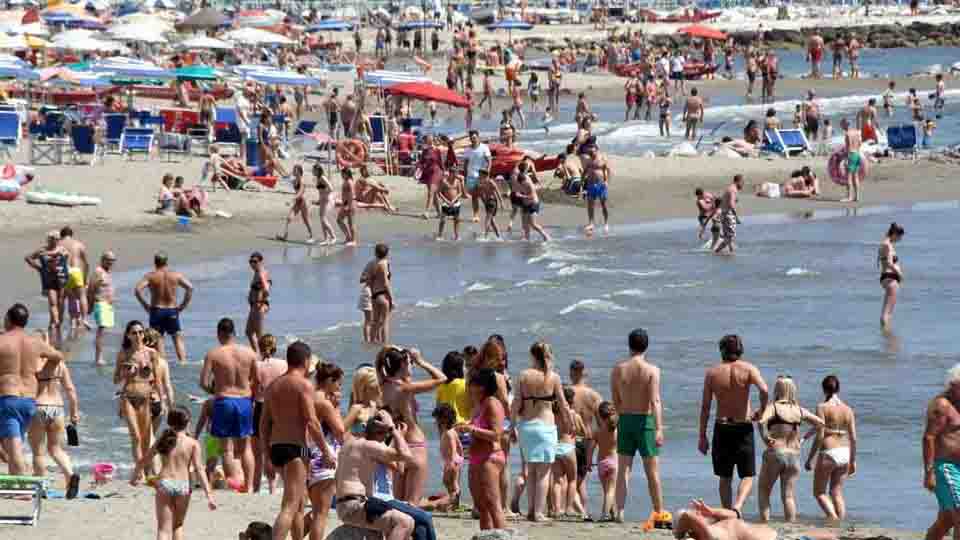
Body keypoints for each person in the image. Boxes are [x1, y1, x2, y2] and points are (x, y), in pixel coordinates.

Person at [261, 341, 334, 540]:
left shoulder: (273, 386)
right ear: (306, 360)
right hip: (296, 448)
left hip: (276, 447)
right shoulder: (303, 384)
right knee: (291, 505)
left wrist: (266, 455)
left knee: (298, 504)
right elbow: (311, 421)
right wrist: (326, 451)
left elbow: (263, 424)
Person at [698, 334, 769, 513]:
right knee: (747, 475)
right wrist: (761, 411)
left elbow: (705, 407)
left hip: (722, 427)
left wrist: (702, 436)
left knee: (724, 476)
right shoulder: (749, 369)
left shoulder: (712, 373)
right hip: (743, 426)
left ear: (722, 350)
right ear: (740, 350)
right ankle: (738, 506)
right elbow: (765, 389)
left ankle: (727, 511)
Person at [131, 407, 217, 540]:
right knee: (177, 526)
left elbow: (144, 459)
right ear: (187, 423)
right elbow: (200, 470)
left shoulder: (163, 439)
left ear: (169, 423)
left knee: (163, 529)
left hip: (165, 483)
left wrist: (135, 475)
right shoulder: (193, 443)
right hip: (183, 486)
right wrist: (209, 495)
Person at [377, 346, 448, 505]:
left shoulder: (383, 385)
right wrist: (421, 361)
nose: (412, 366)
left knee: (397, 504)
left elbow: (379, 362)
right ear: (402, 365)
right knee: (412, 505)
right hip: (414, 446)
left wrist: (389, 350)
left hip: (397, 446)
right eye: (410, 363)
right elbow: (442, 378)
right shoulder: (405, 388)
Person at [610, 329, 666, 526]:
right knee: (652, 471)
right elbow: (655, 400)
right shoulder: (652, 370)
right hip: (645, 421)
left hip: (625, 419)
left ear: (629, 345)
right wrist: (659, 428)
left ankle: (619, 511)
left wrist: (620, 418)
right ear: (646, 346)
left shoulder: (618, 369)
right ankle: (658, 511)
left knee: (623, 469)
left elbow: (615, 399)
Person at [334, 410, 416, 540]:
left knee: (399, 532)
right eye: (384, 435)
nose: (385, 439)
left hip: (346, 503)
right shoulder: (368, 445)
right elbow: (407, 456)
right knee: (405, 523)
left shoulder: (348, 444)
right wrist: (394, 429)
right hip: (354, 505)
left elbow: (337, 477)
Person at [511, 341, 570, 522]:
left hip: (526, 427)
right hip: (545, 427)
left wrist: (512, 425)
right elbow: (562, 403)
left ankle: (530, 510)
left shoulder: (523, 375)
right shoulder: (553, 377)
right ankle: (538, 512)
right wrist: (569, 422)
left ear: (532, 355)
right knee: (544, 473)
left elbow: (516, 404)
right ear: (549, 356)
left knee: (531, 470)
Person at [200, 318, 258, 493]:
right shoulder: (249, 353)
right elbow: (257, 380)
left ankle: (232, 484)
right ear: (234, 333)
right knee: (246, 447)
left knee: (226, 449)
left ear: (219, 334)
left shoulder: (214, 354)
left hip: (224, 400)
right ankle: (248, 486)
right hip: (244, 401)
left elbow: (203, 382)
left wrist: (215, 391)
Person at [756, 376, 825, 522]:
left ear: (777, 390)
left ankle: (764, 526)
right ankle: (791, 528)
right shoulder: (799, 410)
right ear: (793, 391)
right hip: (794, 455)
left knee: (764, 491)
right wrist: (804, 438)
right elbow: (820, 424)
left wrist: (765, 437)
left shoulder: (773, 407)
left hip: (776, 452)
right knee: (788, 496)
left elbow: (761, 421)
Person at [114, 320, 164, 480]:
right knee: (135, 436)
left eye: (141, 332)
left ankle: (146, 470)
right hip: (128, 397)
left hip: (146, 398)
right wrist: (125, 372)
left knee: (146, 438)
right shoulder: (124, 353)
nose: (138, 336)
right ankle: (140, 473)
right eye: (134, 333)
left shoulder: (151, 353)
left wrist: (161, 400)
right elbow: (115, 379)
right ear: (128, 335)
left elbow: (158, 379)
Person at [458, 368, 507, 529]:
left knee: (492, 503)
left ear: (481, 386)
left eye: (472, 383)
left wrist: (472, 429)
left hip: (490, 457)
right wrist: (466, 427)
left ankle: (502, 535)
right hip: (476, 458)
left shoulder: (492, 403)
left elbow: (496, 434)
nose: (468, 386)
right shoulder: (478, 405)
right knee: (481, 506)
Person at [805, 375, 857, 521]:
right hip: (845, 452)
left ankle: (833, 520)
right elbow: (853, 438)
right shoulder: (848, 410)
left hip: (829, 451)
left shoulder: (822, 407)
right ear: (838, 389)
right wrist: (853, 461)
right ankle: (840, 525)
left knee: (819, 492)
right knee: (836, 492)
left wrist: (810, 458)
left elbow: (820, 434)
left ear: (823, 389)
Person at [306, 364, 346, 540]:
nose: (339, 388)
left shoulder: (307, 397)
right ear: (330, 381)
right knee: (321, 514)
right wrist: (337, 407)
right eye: (339, 384)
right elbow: (340, 431)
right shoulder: (324, 403)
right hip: (323, 457)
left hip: (308, 453)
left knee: (314, 511)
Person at [134, 252, 194, 364]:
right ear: (166, 262)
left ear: (155, 262)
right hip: (172, 310)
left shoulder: (151, 276)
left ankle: (162, 366)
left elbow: (137, 290)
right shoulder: (175, 275)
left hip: (157, 310)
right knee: (177, 337)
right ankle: (183, 362)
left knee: (158, 338)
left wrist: (145, 305)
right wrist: (182, 306)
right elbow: (190, 288)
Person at [672, 499, 836, 540]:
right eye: (696, 513)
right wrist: (679, 530)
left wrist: (710, 511)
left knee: (829, 535)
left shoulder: (718, 525)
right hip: (779, 539)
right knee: (829, 536)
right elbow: (687, 518)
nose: (697, 513)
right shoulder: (711, 535)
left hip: (779, 534)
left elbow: (734, 515)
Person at [924, 364, 960, 540]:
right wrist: (929, 472)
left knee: (946, 520)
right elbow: (929, 437)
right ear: (954, 384)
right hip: (947, 467)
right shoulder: (942, 405)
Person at [251, 334, 286, 495]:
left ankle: (257, 487)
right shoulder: (283, 364)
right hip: (278, 407)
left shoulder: (257, 365)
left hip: (261, 406)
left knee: (260, 451)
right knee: (275, 447)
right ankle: (273, 488)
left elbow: (255, 390)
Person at [569, 359, 602, 516]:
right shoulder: (594, 395)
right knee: (581, 482)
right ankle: (582, 512)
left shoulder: (565, 392)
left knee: (566, 479)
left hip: (569, 438)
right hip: (587, 440)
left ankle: (573, 510)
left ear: (571, 373)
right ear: (585, 373)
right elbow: (604, 422)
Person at [25, 231, 69, 342]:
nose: (56, 240)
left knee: (60, 301)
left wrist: (53, 257)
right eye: (54, 238)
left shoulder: (62, 250)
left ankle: (55, 323)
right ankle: (57, 322)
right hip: (48, 279)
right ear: (49, 239)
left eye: (57, 239)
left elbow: (66, 259)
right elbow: (28, 258)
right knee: (53, 302)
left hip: (61, 278)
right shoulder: (42, 250)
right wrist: (39, 268)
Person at [552, 385, 587, 518]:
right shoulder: (573, 414)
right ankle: (568, 509)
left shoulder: (553, 413)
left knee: (557, 480)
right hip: (568, 447)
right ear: (571, 400)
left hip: (555, 446)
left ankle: (556, 509)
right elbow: (582, 432)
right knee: (572, 479)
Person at [422, 403, 462, 511]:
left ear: (444, 419)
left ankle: (454, 501)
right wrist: (460, 457)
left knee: (452, 483)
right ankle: (453, 501)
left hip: (451, 461)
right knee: (448, 482)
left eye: (437, 419)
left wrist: (453, 461)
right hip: (453, 460)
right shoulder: (451, 431)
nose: (436, 422)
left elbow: (454, 448)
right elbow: (460, 446)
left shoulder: (449, 433)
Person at [58, 226, 90, 332]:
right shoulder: (79, 244)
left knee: (62, 298)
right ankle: (85, 319)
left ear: (61, 235)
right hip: (76, 271)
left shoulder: (58, 244)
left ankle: (60, 320)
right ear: (71, 235)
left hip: (63, 271)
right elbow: (86, 264)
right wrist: (85, 278)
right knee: (81, 296)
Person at [87, 251, 117, 366]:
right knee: (101, 331)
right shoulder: (98, 272)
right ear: (102, 259)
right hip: (101, 303)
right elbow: (91, 289)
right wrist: (89, 306)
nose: (111, 263)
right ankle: (98, 357)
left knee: (104, 332)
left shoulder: (107, 271)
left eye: (112, 260)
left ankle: (100, 355)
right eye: (108, 260)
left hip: (107, 305)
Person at [361, 243, 393, 345]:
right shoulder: (383, 264)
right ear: (387, 253)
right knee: (385, 322)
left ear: (375, 253)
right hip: (382, 294)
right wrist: (392, 298)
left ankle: (371, 344)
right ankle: (385, 346)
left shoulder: (372, 263)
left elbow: (363, 279)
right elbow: (385, 283)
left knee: (374, 322)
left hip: (374, 295)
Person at [277, 164, 315, 243]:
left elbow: (300, 193)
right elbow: (286, 177)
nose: (293, 171)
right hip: (298, 201)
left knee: (306, 219)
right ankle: (285, 236)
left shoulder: (302, 181)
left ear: (299, 172)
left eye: (295, 170)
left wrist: (291, 200)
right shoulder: (295, 180)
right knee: (289, 218)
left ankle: (312, 236)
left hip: (304, 201)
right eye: (293, 169)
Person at [878, 222, 905, 328]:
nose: (900, 239)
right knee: (887, 313)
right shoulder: (887, 245)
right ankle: (887, 336)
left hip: (888, 278)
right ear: (894, 234)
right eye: (900, 237)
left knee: (886, 312)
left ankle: (885, 336)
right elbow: (889, 262)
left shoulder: (885, 244)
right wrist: (899, 273)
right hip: (890, 279)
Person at [595, 401, 619, 521]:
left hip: (601, 463)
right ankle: (604, 514)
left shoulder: (598, 431)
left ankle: (613, 514)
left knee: (607, 491)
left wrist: (589, 462)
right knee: (611, 490)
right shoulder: (616, 431)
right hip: (613, 461)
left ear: (600, 415)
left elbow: (590, 449)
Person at [710, 175, 744, 255]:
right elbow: (731, 204)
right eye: (742, 183)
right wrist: (736, 217)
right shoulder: (733, 190)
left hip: (724, 214)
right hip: (728, 215)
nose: (743, 185)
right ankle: (716, 253)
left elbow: (723, 202)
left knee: (727, 237)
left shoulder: (730, 188)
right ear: (738, 181)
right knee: (729, 238)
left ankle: (730, 252)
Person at [463, 130, 492, 223]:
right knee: (474, 196)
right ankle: (476, 215)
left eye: (474, 138)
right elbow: (465, 163)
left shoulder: (484, 148)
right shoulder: (467, 150)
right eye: (471, 138)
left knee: (482, 195)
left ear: (478, 137)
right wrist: (465, 176)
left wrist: (488, 172)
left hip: (481, 176)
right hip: (471, 175)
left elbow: (489, 161)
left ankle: (489, 211)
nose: (473, 140)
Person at [583, 145, 611, 235]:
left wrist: (607, 181)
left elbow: (608, 170)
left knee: (604, 204)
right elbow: (585, 171)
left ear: (597, 150)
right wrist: (582, 183)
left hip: (601, 184)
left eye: (592, 152)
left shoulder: (602, 158)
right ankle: (591, 223)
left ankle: (606, 223)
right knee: (590, 205)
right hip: (591, 185)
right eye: (589, 152)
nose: (590, 154)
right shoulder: (588, 160)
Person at [436, 170, 464, 242]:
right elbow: (439, 193)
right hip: (446, 203)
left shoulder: (457, 181)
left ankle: (456, 235)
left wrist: (454, 200)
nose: (456, 175)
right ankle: (440, 235)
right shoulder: (444, 181)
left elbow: (460, 193)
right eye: (454, 173)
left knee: (457, 220)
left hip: (455, 203)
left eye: (456, 173)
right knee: (443, 220)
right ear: (450, 173)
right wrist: (446, 201)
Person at [477, 171, 503, 240]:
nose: (479, 176)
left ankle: (485, 236)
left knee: (487, 219)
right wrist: (484, 201)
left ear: (485, 175)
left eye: (480, 174)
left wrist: (501, 202)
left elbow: (497, 192)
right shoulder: (481, 182)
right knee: (491, 220)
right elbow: (481, 194)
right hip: (487, 202)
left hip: (492, 202)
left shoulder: (490, 182)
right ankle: (498, 236)